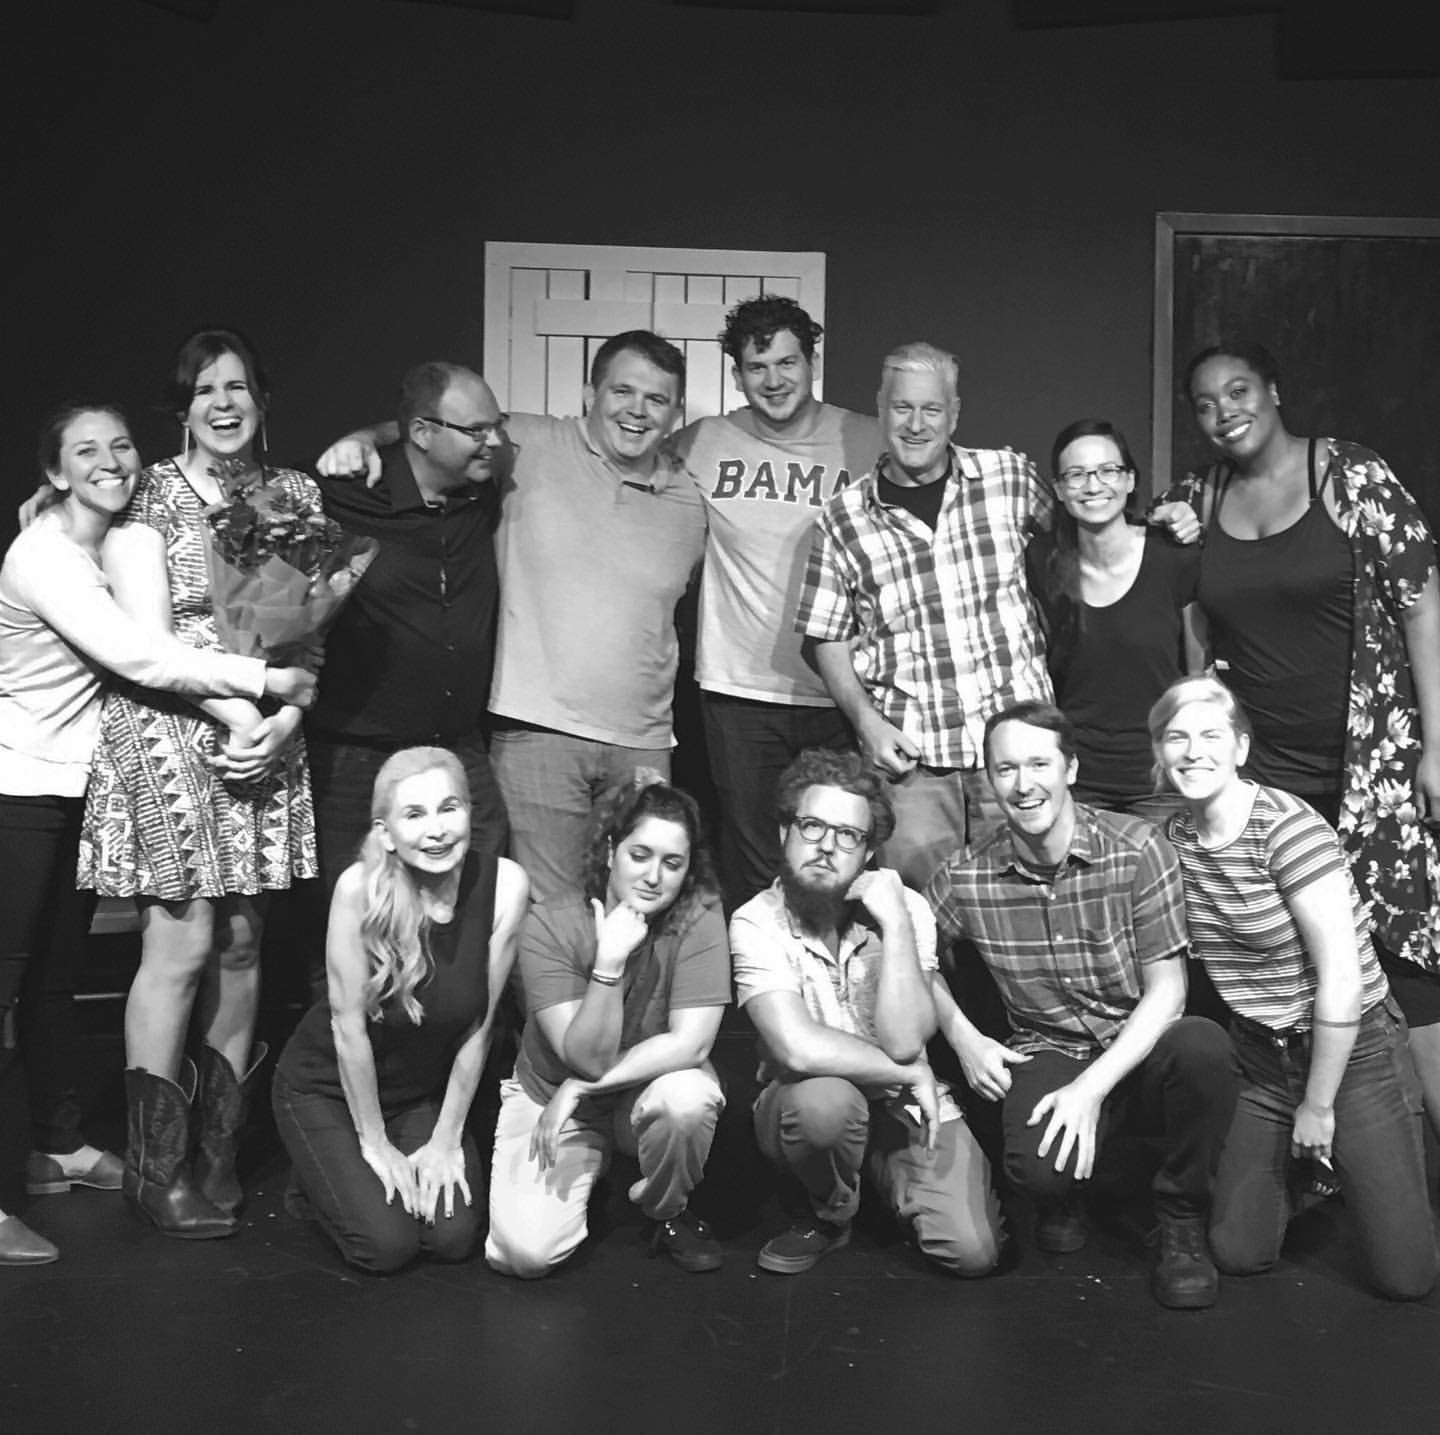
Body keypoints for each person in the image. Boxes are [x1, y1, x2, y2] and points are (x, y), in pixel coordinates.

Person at [0, 404, 314, 1265]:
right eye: (85, 451)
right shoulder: (46, 553)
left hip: (75, 776)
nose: (110, 460)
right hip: (18, 783)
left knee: (54, 985)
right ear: (55, 470)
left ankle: (57, 1145)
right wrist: (265, 687)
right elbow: (142, 656)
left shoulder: (105, 534)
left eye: (119, 445)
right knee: (7, 988)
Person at [77, 328, 322, 1238]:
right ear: (180, 407)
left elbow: (307, 634)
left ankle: (217, 1150)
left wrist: (284, 723)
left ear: (263, 398)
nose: (224, 404)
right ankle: (156, 1166)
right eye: (205, 390)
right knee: (180, 944)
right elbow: (145, 645)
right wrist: (243, 713)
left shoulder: (292, 494)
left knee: (245, 944)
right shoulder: (143, 494)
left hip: (265, 734)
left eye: (238, 386)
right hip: (172, 730)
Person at [316, 331, 707, 901]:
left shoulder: (691, 497)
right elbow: (438, 427)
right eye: (623, 391)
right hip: (536, 734)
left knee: (638, 906)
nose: (638, 410)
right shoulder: (525, 443)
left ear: (675, 413)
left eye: (657, 399)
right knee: (544, 911)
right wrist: (364, 438)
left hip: (643, 742)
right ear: (590, 394)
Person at [1167, 340, 1440, 1145]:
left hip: (1374, 774)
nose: (1224, 413)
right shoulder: (1196, 498)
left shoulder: (1351, 476)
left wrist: (1438, 744)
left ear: (1275, 390)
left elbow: (1423, 605)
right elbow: (1191, 624)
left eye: (1238, 391)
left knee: (1412, 970)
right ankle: (1306, 1162)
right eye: (1206, 404)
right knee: (1287, 972)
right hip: (1266, 786)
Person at [925, 701, 1239, 1309]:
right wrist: (962, 1035)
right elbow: (915, 956)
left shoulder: (1136, 847)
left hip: (1138, 1042)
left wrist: (1090, 1091)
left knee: (1203, 1048)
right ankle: (1069, 1195)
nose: (1024, 784)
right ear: (989, 780)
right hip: (1049, 1046)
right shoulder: (967, 874)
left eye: (1039, 764)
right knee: (1038, 1172)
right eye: (1006, 769)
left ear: (1070, 769)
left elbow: (1169, 990)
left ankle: (1180, 1215)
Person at [1150, 675, 1438, 1300]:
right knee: (1238, 1252)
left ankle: (1352, 1151)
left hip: (1353, 1056)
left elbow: (1341, 976)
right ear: (1159, 752)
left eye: (1210, 736)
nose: (1193, 752)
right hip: (1263, 1059)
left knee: (1408, 1279)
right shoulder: (1174, 841)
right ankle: (1313, 1173)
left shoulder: (1287, 829)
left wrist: (1319, 1105)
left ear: (1241, 747)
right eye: (1177, 738)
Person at [731, 749, 1003, 1277]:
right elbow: (796, 1047)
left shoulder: (906, 909)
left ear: (869, 852)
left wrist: (895, 924)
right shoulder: (755, 920)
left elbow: (904, 1040)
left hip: (902, 1106)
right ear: (785, 831)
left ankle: (881, 1179)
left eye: (848, 835)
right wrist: (908, 1073)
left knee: (972, 1252)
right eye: (812, 826)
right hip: (811, 1098)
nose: (826, 846)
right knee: (825, 1106)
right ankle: (826, 1212)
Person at [794, 342, 1053, 890]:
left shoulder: (1009, 478)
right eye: (902, 407)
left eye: (931, 409)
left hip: (1018, 754)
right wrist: (866, 724)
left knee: (1032, 908)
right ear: (880, 410)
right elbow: (826, 639)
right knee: (922, 919)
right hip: (914, 769)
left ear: (953, 414)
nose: (916, 425)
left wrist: (1171, 518)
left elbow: (1090, 536)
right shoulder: (842, 520)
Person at [272, 747, 527, 1274]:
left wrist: (446, 1139)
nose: (436, 831)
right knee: (386, 1245)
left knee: (452, 1237)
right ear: (386, 833)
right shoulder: (358, 890)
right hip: (327, 1087)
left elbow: (480, 1027)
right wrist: (375, 1143)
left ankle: (348, 1175)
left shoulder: (505, 885)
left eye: (449, 808)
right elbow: (347, 1029)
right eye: (414, 815)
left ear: (470, 813)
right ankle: (317, 1175)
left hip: (416, 1094)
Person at [673, 296, 878, 911]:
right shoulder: (702, 442)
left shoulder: (865, 439)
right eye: (757, 367)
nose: (774, 380)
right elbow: (616, 467)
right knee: (755, 859)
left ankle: (835, 967)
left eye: (787, 363)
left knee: (839, 853)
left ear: (811, 363)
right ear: (737, 376)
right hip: (738, 694)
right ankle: (757, 971)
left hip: (842, 694)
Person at [485, 776, 729, 1277]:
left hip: (639, 1089)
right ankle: (590, 1172)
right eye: (640, 855)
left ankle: (665, 1208)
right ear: (612, 849)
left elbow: (692, 1043)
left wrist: (581, 1086)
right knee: (523, 1256)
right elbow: (585, 1058)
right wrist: (609, 964)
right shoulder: (551, 923)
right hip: (550, 1097)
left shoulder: (699, 916)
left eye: (672, 863)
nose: (653, 876)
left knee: (688, 1098)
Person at [307, 361, 509, 901]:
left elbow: (415, 425)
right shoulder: (343, 494)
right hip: (357, 761)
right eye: (477, 430)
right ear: (422, 433)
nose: (493, 441)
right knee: (353, 915)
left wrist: (369, 432)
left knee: (474, 909)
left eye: (496, 426)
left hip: (458, 751)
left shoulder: (480, 489)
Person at [1026, 419, 1205, 816]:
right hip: (1077, 781)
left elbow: (1198, 674)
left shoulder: (1172, 557)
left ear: (1129, 480)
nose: (1093, 486)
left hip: (1160, 779)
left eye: (1108, 471)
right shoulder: (1041, 562)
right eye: (1076, 475)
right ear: (1058, 489)